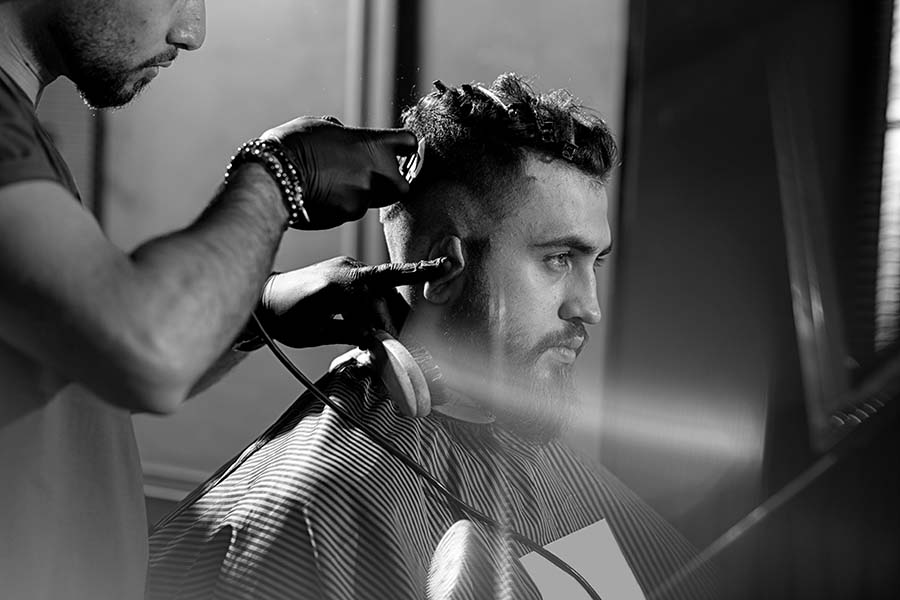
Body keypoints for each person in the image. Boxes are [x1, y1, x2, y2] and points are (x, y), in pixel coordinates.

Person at [146, 74, 720, 599]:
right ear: (444, 267)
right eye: (557, 259)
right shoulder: (322, 502)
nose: (588, 308)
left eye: (592, 263)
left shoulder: (546, 464)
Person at [0, 1, 448, 598]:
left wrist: (255, 314)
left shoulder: (23, 131)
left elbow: (80, 370)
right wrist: (277, 176)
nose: (192, 32)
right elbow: (144, 353)